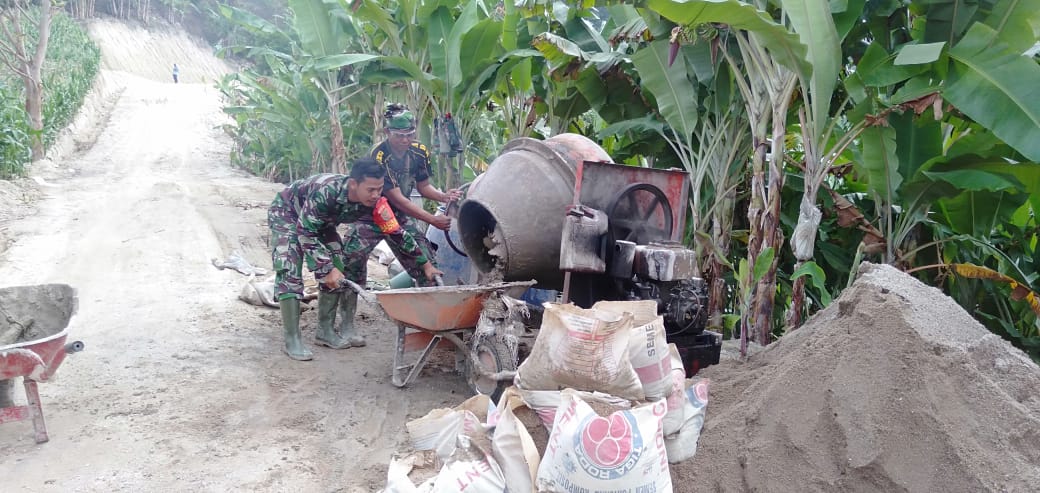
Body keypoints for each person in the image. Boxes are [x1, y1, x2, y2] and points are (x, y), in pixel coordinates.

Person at [267, 158, 442, 361]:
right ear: (353, 184)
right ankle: (292, 339)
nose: (376, 194)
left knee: (339, 263)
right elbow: (305, 232)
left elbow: (397, 234)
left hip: (322, 223)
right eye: (370, 190)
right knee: (289, 265)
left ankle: (325, 331)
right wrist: (325, 268)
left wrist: (426, 264)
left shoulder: (377, 202)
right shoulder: (327, 191)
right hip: (288, 214)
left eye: (379, 189)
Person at [341, 104, 462, 289]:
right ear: (387, 132)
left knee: (426, 262)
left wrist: (444, 197)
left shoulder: (419, 152)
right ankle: (348, 311)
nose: (405, 140)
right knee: (351, 262)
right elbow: (398, 199)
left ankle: (427, 311)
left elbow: (424, 187)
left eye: (410, 134)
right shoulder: (379, 155)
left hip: (397, 216)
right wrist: (432, 219)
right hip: (369, 215)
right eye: (399, 135)